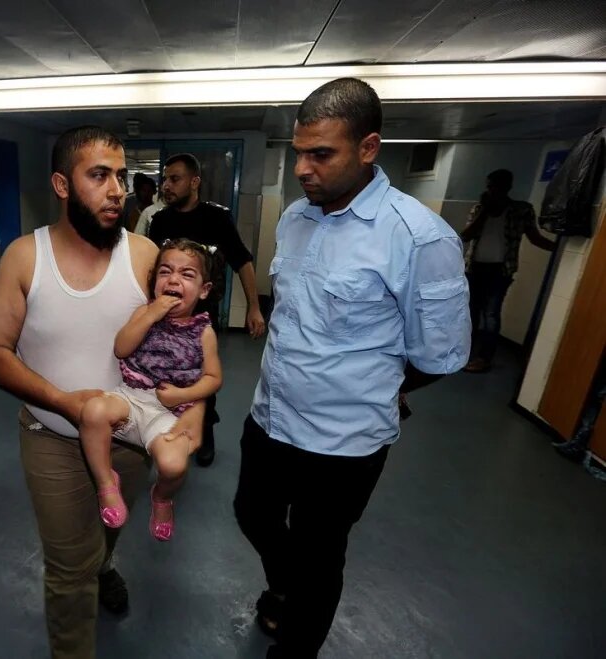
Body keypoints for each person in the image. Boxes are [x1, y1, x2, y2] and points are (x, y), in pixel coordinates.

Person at [233, 78, 470, 659]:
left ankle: (295, 643)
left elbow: (440, 355)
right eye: (298, 153)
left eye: (321, 154)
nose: (303, 170)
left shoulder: (418, 237)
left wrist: (384, 384)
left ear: (368, 148)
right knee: (252, 513)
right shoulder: (296, 218)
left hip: (342, 444)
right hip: (271, 417)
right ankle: (287, 587)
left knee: (320, 555)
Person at [0, 126, 204, 658]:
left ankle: (102, 563)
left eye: (120, 176)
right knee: (66, 570)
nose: (117, 190)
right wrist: (65, 404)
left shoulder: (145, 255)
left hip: (129, 436)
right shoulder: (25, 257)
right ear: (62, 184)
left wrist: (190, 413)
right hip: (51, 436)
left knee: (106, 530)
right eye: (99, 176)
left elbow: (189, 340)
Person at [80, 238, 222, 541]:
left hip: (168, 411)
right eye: (165, 272)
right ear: (154, 281)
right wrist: (149, 316)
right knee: (92, 411)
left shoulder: (204, 332)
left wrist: (182, 395)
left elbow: (213, 378)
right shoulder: (143, 313)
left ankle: (162, 497)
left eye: (187, 274)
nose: (173, 279)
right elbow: (121, 349)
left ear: (204, 290)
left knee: (173, 465)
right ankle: (106, 483)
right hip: (130, 396)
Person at [147, 152, 266, 466]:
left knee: (202, 376)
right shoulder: (160, 221)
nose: (166, 185)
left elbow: (242, 261)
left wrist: (254, 307)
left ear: (194, 182)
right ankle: (164, 429)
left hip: (203, 317)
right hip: (164, 315)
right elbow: (149, 268)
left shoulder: (216, 218)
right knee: (163, 372)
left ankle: (204, 429)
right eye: (165, 179)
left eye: (175, 179)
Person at [460, 169, 556, 373]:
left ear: (507, 187)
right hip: (475, 268)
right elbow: (466, 235)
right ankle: (465, 353)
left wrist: (559, 250)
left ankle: (484, 358)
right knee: (470, 313)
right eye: (489, 186)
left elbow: (534, 237)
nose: (491, 190)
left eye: (496, 186)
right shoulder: (479, 208)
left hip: (500, 270)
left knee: (491, 314)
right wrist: (484, 211)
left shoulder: (522, 210)